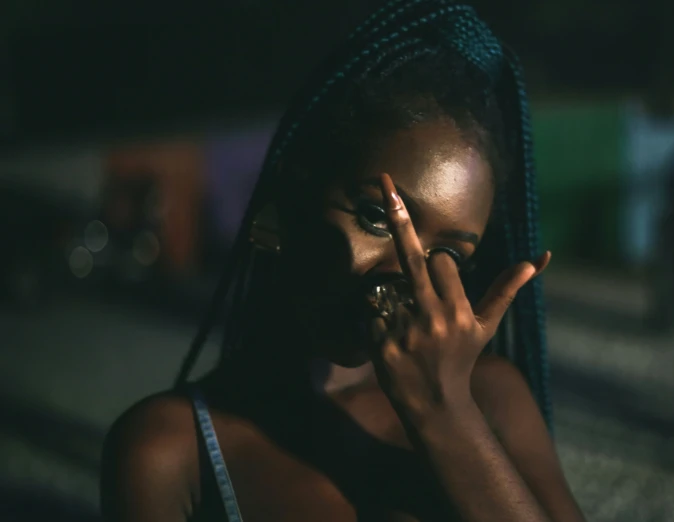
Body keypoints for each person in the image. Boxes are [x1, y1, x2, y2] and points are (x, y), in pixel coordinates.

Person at [99, 1, 586, 521]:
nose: (406, 278)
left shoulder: (491, 399)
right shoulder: (170, 450)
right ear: (295, 190)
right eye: (379, 217)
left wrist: (446, 417)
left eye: (445, 255)